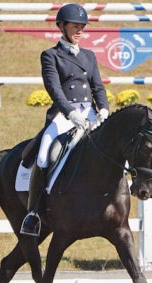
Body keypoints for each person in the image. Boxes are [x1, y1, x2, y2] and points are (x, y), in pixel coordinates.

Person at [21, 4, 110, 236]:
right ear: (62, 27)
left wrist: (104, 110)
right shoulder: (50, 55)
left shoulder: (89, 56)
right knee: (44, 155)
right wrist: (71, 113)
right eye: (75, 27)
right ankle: (33, 213)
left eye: (82, 27)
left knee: (114, 143)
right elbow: (54, 88)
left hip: (90, 112)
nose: (79, 31)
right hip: (65, 114)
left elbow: (97, 86)